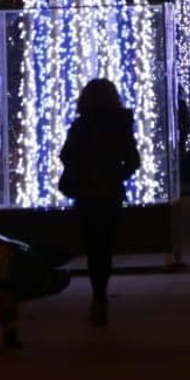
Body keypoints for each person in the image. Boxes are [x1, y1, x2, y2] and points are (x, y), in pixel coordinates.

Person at [59, 79, 141, 328]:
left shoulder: (81, 125)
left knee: (93, 245)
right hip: (110, 194)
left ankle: (98, 296)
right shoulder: (121, 125)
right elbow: (133, 161)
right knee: (104, 246)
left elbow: (66, 155)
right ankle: (100, 295)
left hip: (86, 194)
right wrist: (115, 175)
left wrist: (85, 172)